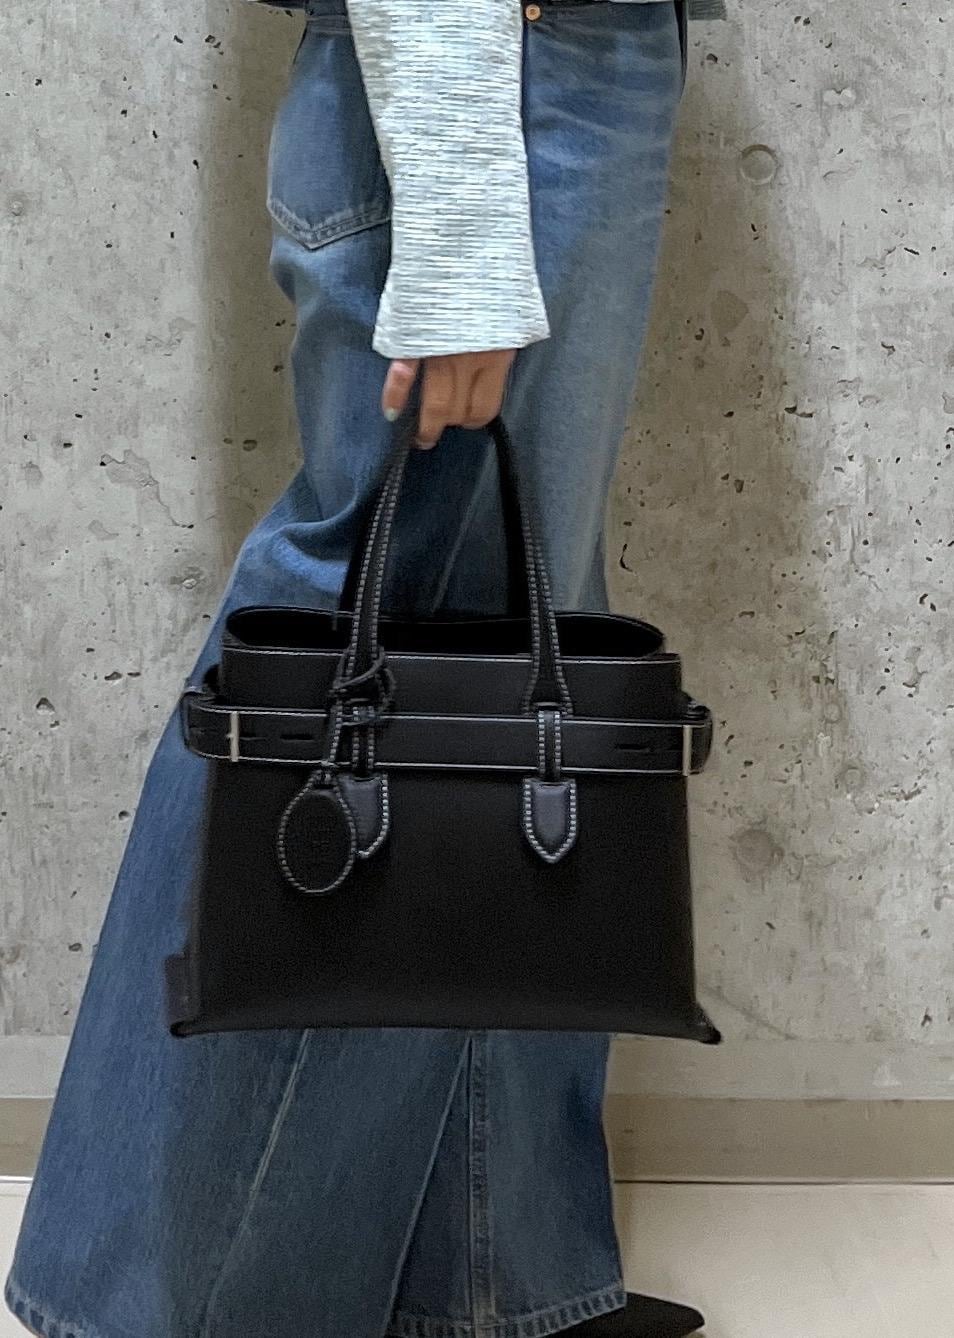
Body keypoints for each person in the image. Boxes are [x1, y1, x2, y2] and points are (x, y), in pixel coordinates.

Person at [5, 2, 719, 1336]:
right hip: (498, 74)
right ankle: (157, 1306)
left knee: (506, 672)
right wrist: (460, 226)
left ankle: (493, 1284)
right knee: (339, 663)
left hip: (553, 65)